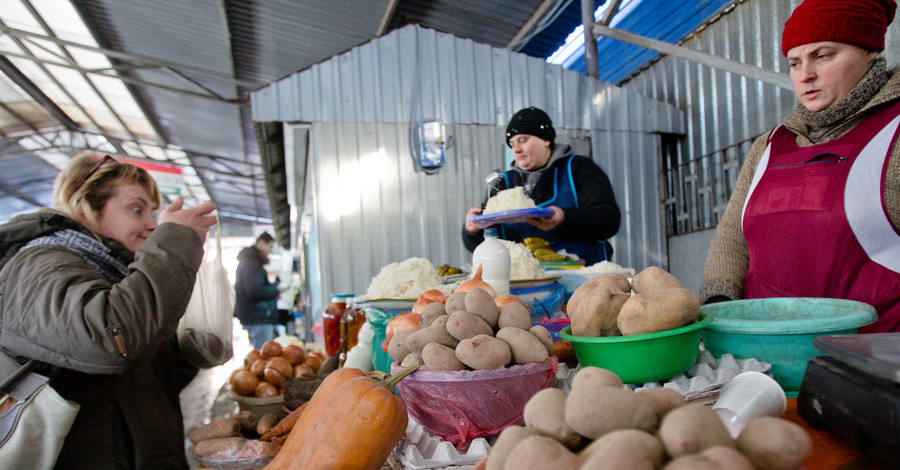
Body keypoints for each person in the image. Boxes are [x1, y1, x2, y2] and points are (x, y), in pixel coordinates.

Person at [0, 152, 217, 468]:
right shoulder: (39, 265)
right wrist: (174, 245)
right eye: (137, 208)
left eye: (152, 212)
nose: (150, 224)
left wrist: (185, 348)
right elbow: (111, 339)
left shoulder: (115, 274)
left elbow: (141, 379)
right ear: (85, 205)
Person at [700, 0, 900, 333]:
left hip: (872, 364)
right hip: (766, 355)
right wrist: (719, 306)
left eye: (824, 56)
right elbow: (732, 239)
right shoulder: (768, 146)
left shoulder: (894, 132)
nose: (805, 74)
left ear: (868, 51)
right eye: (794, 62)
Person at [462, 107, 621, 265]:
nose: (516, 149)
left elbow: (609, 220)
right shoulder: (502, 183)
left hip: (585, 279)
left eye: (523, 140)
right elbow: (484, 245)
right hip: (525, 282)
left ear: (546, 140)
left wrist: (564, 218)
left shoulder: (578, 168)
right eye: (512, 143)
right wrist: (472, 230)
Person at [234, 232, 281, 349]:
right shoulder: (252, 264)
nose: (270, 251)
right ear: (261, 243)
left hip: (257, 317)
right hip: (258, 318)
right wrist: (276, 289)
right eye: (270, 247)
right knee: (264, 355)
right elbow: (254, 291)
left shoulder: (249, 262)